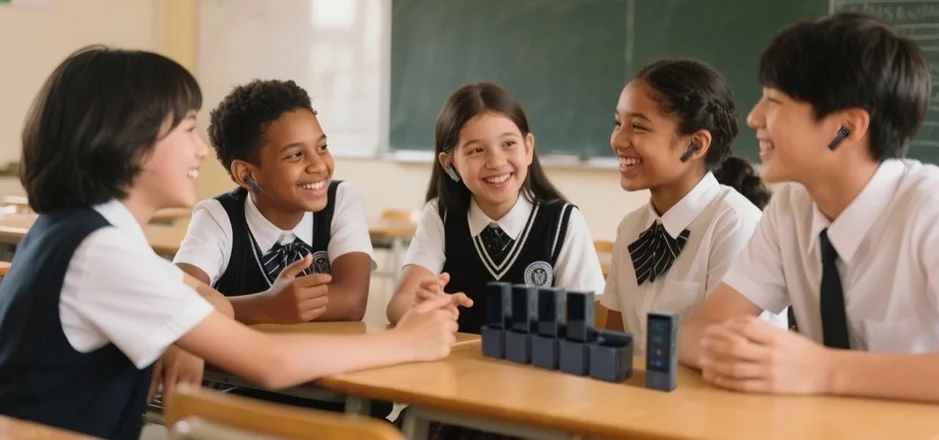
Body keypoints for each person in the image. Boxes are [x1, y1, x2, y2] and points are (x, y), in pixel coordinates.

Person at [0, 45, 458, 440]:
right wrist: (409, 341)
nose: (201, 149)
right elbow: (269, 362)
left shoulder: (74, 231)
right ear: (126, 143)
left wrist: (185, 330)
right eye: (186, 129)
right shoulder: (102, 252)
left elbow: (199, 296)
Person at [679, 12, 939, 403]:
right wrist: (744, 355)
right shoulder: (790, 208)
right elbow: (698, 332)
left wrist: (824, 370)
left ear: (846, 128)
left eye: (775, 101)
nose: (754, 117)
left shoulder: (929, 209)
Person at [386, 81, 606, 334]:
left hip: (535, 370)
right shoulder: (441, 216)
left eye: (508, 144)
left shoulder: (564, 222)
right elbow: (397, 304)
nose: (496, 162)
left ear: (528, 148)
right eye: (477, 150)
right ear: (449, 165)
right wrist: (421, 307)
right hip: (456, 371)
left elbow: (587, 320)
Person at [600, 58, 783, 352]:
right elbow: (613, 346)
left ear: (695, 144)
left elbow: (727, 353)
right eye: (618, 123)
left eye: (637, 127)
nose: (618, 140)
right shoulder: (631, 228)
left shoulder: (734, 224)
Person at [174, 79, 374, 324]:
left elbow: (351, 302)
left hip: (325, 357)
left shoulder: (341, 199)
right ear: (245, 174)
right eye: (295, 155)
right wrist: (267, 307)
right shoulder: (218, 216)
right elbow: (178, 300)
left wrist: (242, 309)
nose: (319, 165)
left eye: (322, 147)